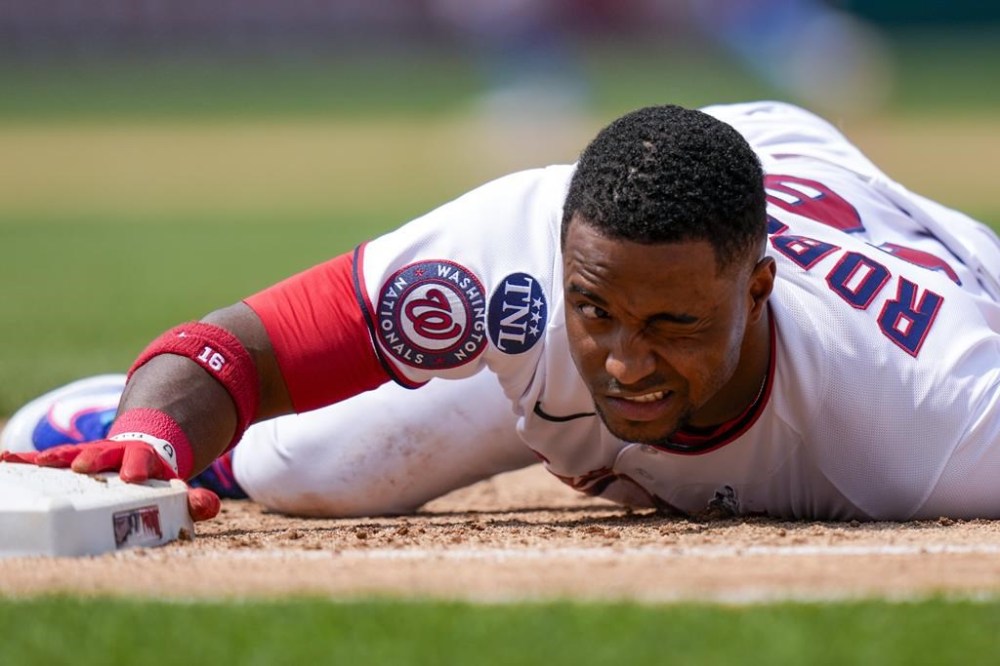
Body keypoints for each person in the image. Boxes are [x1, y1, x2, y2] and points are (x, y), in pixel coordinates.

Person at [3, 101, 999, 522]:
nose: (625, 364)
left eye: (672, 329)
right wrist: (151, 431)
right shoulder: (509, 258)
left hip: (904, 249)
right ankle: (89, 418)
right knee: (303, 470)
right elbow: (237, 348)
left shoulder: (941, 414)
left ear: (755, 287)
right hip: (727, 189)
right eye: (596, 311)